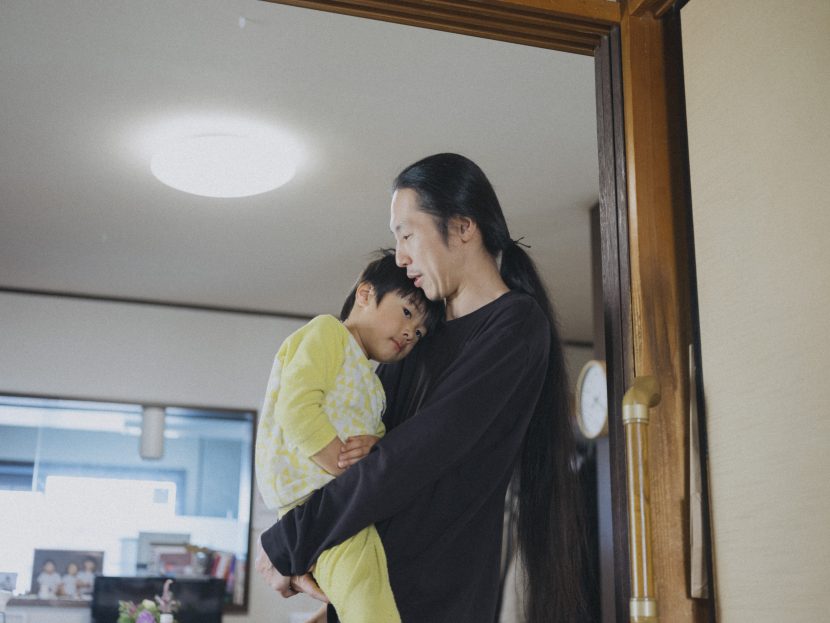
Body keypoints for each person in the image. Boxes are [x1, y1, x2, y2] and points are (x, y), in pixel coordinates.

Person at [257, 153, 588, 623]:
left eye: (407, 234)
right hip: (366, 589)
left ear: (462, 227)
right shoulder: (415, 342)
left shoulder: (514, 325)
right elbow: (360, 457)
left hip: (434, 600)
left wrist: (288, 541)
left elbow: (407, 460)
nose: (400, 257)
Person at [255, 250, 443, 623]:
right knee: (367, 598)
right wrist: (345, 468)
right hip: (313, 497)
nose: (411, 333)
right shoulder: (328, 333)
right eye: (407, 312)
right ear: (365, 294)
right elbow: (297, 407)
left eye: (420, 333)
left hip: (338, 505)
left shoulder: (373, 386)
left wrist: (375, 448)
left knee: (368, 590)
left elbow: (374, 445)